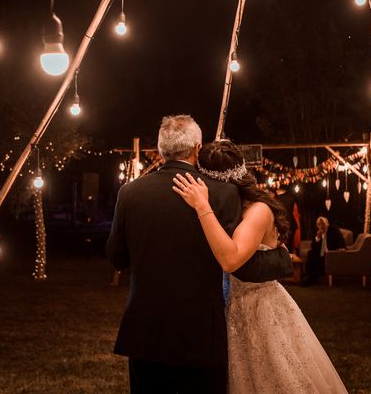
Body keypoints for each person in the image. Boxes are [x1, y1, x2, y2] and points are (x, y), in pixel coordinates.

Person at [106, 115, 293, 394]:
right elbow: (237, 262)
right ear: (197, 148)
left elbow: (117, 258)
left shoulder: (130, 192)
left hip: (145, 332)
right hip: (198, 334)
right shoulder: (222, 193)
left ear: (160, 151)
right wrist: (282, 259)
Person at [173, 140, 348, 394]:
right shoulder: (233, 209)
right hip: (234, 308)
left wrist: (202, 206)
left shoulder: (258, 211)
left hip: (259, 309)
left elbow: (231, 259)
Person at [304, 216, 346, 285]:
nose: (321, 226)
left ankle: (312, 278)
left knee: (315, 257)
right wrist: (318, 238)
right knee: (310, 253)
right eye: (319, 224)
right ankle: (310, 278)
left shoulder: (333, 229)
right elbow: (313, 247)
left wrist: (341, 247)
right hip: (321, 254)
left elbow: (340, 239)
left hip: (331, 253)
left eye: (323, 224)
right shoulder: (318, 232)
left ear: (327, 224)